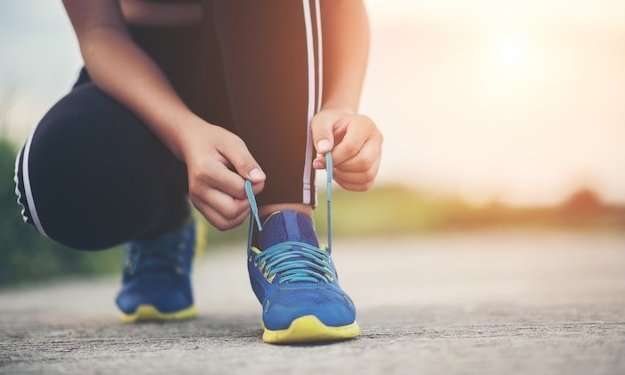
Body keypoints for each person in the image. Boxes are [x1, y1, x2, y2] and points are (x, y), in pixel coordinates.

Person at [14, 0, 382, 344]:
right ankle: (161, 222)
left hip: (267, 63)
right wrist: (185, 134)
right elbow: (99, 30)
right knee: (54, 178)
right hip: (142, 66)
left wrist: (341, 107)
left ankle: (287, 230)